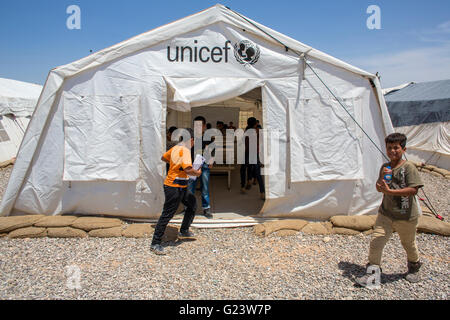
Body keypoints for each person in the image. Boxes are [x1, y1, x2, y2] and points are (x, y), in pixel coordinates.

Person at [356, 133, 424, 286]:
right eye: (389, 148)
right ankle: (373, 275)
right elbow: (379, 188)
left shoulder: (409, 167)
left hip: (406, 215)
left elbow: (413, 190)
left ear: (403, 149)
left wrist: (391, 192)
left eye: (396, 148)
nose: (393, 151)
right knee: (376, 242)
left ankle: (414, 266)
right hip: (386, 213)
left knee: (408, 243)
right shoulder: (385, 167)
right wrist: (382, 179)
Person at [150, 128, 201, 255]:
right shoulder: (185, 150)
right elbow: (189, 170)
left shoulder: (176, 148)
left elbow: (163, 158)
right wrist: (198, 172)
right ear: (191, 140)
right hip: (174, 186)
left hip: (180, 186)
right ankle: (155, 243)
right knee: (168, 213)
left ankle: (184, 230)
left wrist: (175, 164)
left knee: (192, 204)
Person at [188, 116, 215, 218]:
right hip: (192, 165)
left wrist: (211, 160)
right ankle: (188, 208)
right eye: (196, 126)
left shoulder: (208, 137)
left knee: (205, 187)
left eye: (200, 125)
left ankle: (206, 208)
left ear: (204, 126)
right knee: (190, 187)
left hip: (204, 165)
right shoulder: (191, 137)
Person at [240, 117, 265, 199]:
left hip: (247, 153)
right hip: (255, 153)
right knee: (258, 173)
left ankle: (243, 186)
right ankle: (262, 192)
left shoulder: (246, 132)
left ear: (247, 123)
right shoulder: (257, 131)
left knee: (243, 169)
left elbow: (243, 142)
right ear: (255, 124)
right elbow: (261, 142)